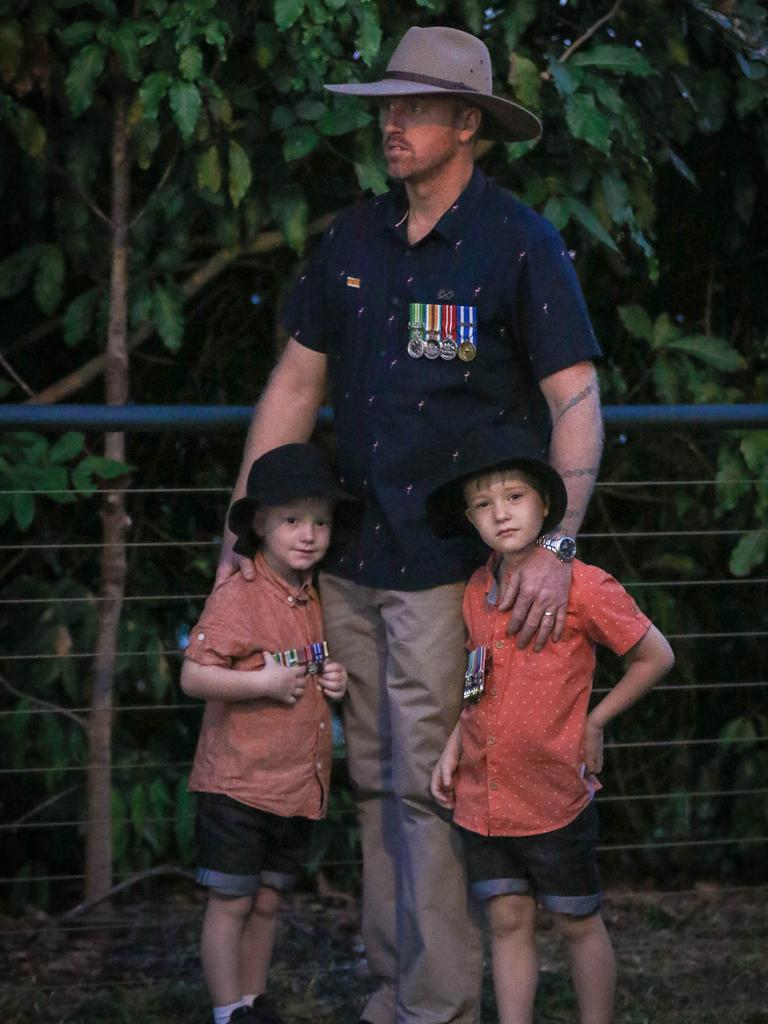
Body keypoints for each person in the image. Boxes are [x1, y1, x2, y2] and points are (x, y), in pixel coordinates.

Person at [217, 25, 604, 1024]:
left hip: (452, 568)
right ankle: (397, 994)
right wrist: (241, 539)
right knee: (377, 780)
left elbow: (575, 401)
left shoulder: (519, 240)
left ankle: (437, 1007)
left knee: (439, 788)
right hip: (347, 557)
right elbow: (294, 388)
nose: (391, 122)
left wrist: (558, 545)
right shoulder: (351, 240)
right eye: (386, 105)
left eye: (416, 106)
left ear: (468, 124)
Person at [427, 425, 675, 1024]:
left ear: (544, 503)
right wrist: (453, 745)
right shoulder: (477, 591)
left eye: (514, 497)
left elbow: (656, 656)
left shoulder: (584, 586)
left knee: (575, 920)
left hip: (554, 793)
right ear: (469, 519)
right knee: (508, 919)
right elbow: (477, 684)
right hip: (485, 795)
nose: (501, 514)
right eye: (483, 505)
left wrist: (596, 722)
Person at [182, 444, 351, 1024]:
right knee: (231, 901)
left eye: (321, 521)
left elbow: (314, 665)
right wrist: (261, 684)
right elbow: (193, 675)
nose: (308, 534)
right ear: (259, 523)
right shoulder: (241, 593)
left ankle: (255, 1004)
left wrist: (334, 676)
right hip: (237, 783)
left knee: (269, 900)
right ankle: (227, 1011)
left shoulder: (316, 596)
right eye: (292, 519)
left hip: (296, 786)